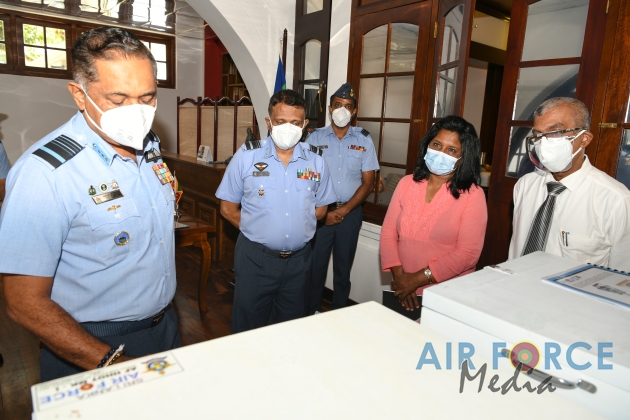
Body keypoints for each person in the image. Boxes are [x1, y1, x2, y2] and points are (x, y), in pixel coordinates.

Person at [0, 27, 181, 381]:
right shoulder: (46, 174)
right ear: (79, 95)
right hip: (88, 344)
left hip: (164, 327)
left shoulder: (150, 149)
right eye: (118, 100)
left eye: (147, 98)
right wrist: (111, 363)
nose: (137, 112)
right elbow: (23, 302)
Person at [216, 89, 337, 333]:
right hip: (255, 260)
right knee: (247, 332)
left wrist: (295, 227)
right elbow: (227, 209)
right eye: (281, 122)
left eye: (295, 123)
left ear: (305, 125)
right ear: (269, 122)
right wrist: (260, 229)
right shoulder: (247, 156)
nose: (288, 128)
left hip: (299, 263)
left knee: (289, 332)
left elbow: (321, 209)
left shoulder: (316, 161)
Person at [380, 116, 487, 312]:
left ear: (463, 158)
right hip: (402, 288)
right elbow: (388, 233)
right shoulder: (406, 183)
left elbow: (468, 254)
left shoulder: (473, 195)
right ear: (427, 145)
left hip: (446, 294)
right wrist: (402, 279)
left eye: (451, 150)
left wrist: (416, 280)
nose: (441, 153)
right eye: (437, 145)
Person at [509, 97, 630, 270]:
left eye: (555, 132)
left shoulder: (615, 200)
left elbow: (622, 272)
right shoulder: (525, 185)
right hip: (514, 282)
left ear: (584, 139)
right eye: (538, 135)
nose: (544, 142)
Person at [306, 83, 379, 314]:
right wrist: (324, 213)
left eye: (348, 106)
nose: (342, 110)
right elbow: (305, 180)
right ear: (330, 109)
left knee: (343, 270)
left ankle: (339, 315)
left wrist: (344, 210)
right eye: (338, 105)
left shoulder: (364, 140)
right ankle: (310, 314)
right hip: (320, 214)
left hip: (350, 214)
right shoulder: (314, 138)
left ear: (354, 111)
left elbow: (368, 183)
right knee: (315, 269)